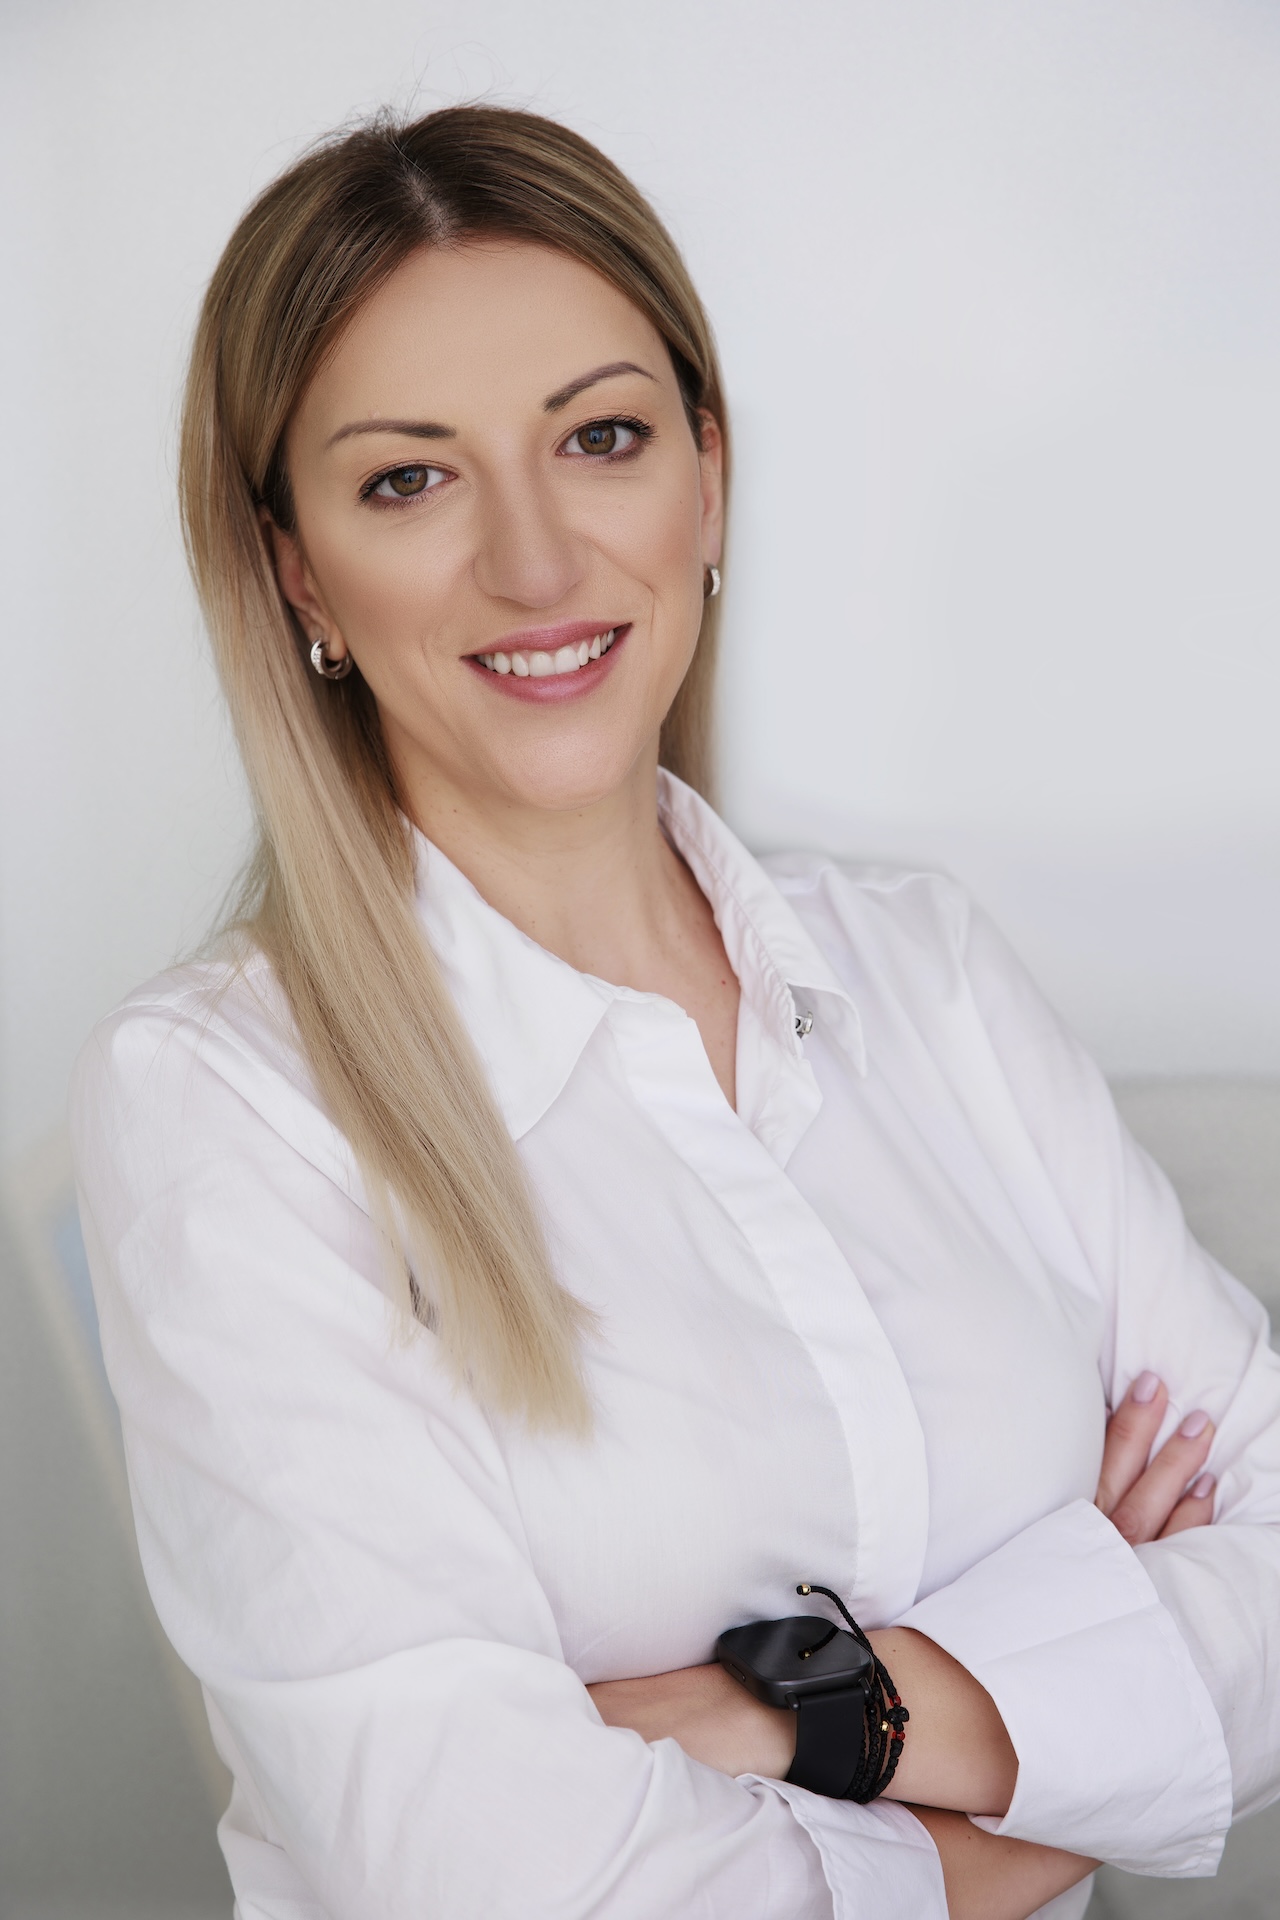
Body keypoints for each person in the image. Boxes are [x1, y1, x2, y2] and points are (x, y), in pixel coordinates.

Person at [70, 106, 1280, 1920]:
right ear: (297, 568)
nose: (537, 563)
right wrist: (1069, 1733)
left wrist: (797, 1717)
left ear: (707, 480)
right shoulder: (221, 1106)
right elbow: (484, 1875)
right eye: (409, 480)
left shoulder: (925, 970)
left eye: (602, 439)